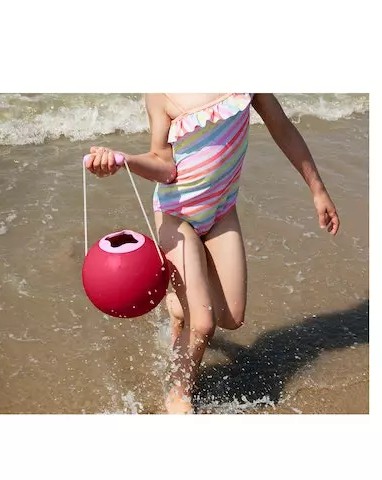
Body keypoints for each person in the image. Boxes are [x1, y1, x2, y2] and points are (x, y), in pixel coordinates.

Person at [85, 93, 340, 414]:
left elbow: (281, 127)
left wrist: (318, 190)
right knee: (203, 324)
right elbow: (164, 166)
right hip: (176, 215)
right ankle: (178, 395)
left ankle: (180, 305)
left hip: (221, 211)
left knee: (231, 318)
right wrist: (125, 160)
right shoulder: (161, 93)